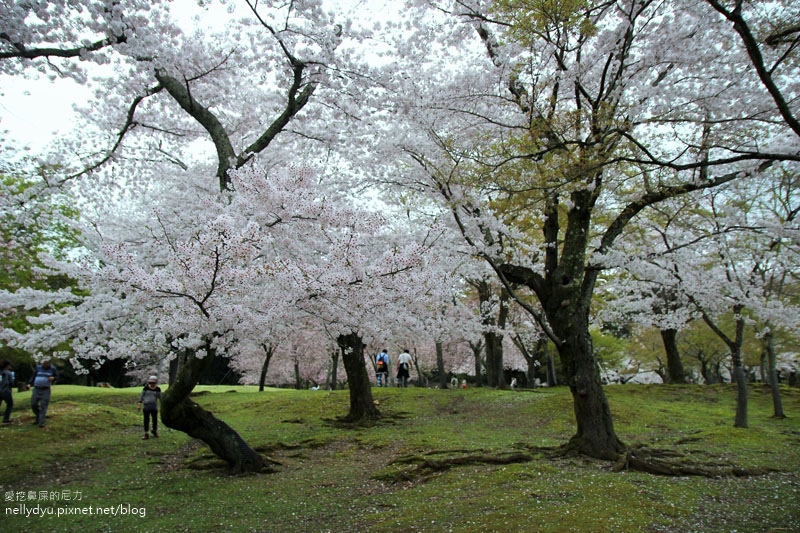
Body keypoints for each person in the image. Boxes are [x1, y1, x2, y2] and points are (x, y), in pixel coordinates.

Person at [30, 358, 58, 428]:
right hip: (36, 388)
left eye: (46, 363)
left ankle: (41, 422)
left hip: (45, 389)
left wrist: (53, 378)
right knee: (33, 404)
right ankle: (39, 416)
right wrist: (29, 383)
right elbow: (33, 376)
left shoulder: (52, 369)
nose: (45, 364)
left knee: (43, 405)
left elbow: (57, 376)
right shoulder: (38, 368)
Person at [137, 376, 162, 440]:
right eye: (151, 383)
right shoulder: (146, 388)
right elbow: (141, 397)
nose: (152, 384)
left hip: (154, 406)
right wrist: (139, 404)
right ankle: (146, 433)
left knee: (154, 420)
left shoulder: (158, 389)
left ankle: (154, 430)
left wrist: (163, 405)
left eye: (153, 383)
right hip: (146, 406)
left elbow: (160, 398)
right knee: (146, 420)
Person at [1, 360, 14, 425]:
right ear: (7, 365)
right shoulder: (8, 373)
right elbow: (11, 382)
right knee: (10, 404)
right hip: (5, 391)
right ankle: (5, 420)